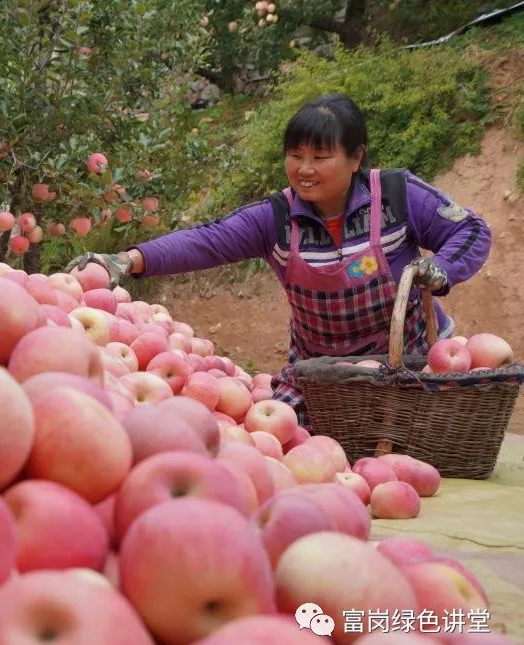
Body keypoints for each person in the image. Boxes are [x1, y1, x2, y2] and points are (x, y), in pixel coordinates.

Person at [65, 93, 492, 427]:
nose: (304, 169)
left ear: (356, 157)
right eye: (295, 155)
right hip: (318, 378)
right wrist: (125, 260)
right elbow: (208, 240)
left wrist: (442, 270)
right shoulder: (277, 217)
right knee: (285, 440)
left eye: (320, 157)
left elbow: (471, 231)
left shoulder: (397, 196)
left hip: (410, 367)